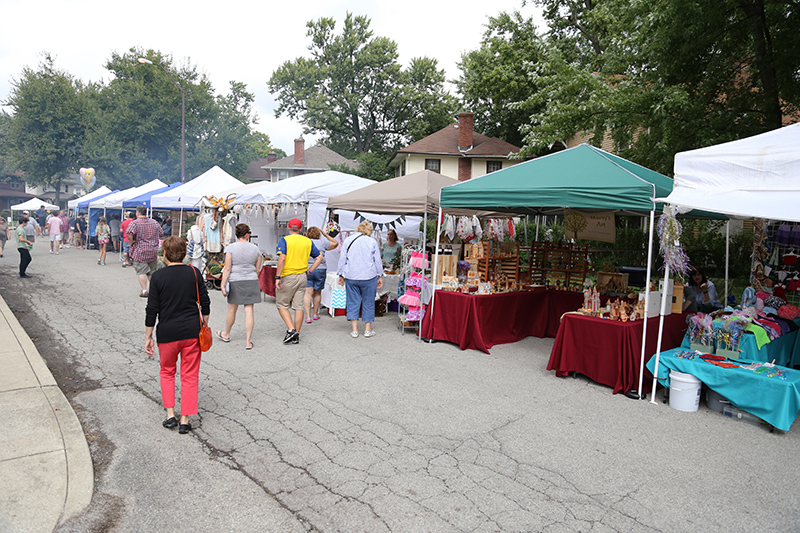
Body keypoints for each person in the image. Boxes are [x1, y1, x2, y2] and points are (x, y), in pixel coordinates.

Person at [145, 236, 210, 435]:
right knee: (190, 375)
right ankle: (185, 419)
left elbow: (152, 309)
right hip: (191, 331)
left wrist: (148, 336)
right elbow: (205, 302)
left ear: (164, 254)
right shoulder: (193, 272)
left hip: (167, 333)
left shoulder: (157, 277)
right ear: (184, 253)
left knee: (167, 372)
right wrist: (204, 325)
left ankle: (170, 415)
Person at [275, 218, 323, 344]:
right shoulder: (307, 241)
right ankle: (296, 334)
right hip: (302, 276)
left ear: (289, 228)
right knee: (298, 306)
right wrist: (310, 270)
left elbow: (282, 258)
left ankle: (291, 330)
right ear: (301, 229)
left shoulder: (285, 240)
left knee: (282, 304)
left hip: (288, 276)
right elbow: (319, 257)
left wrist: (277, 276)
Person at [217, 224, 262, 349]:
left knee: (232, 309)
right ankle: (248, 341)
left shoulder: (230, 248)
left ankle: (226, 334)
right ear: (247, 234)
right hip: (251, 279)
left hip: (235, 280)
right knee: (249, 311)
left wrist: (223, 284)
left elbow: (227, 268)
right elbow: (258, 268)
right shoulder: (255, 249)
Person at [337, 221, 384, 338]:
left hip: (351, 275)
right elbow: (377, 260)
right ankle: (367, 330)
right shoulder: (372, 242)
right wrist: (380, 275)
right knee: (368, 302)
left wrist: (340, 274)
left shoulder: (348, 240)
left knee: (352, 301)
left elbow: (342, 259)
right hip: (369, 276)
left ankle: (354, 330)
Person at [304, 226, 338, 323]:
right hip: (321, 269)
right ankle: (315, 314)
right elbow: (335, 244)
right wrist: (326, 234)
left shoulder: (305, 242)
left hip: (308, 269)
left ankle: (307, 316)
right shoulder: (323, 242)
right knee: (317, 292)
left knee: (307, 293)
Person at [127, 206, 164, 297]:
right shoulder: (154, 222)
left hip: (140, 251)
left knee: (141, 271)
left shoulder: (135, 223)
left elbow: (129, 232)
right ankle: (155, 291)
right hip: (152, 250)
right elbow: (161, 233)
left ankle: (144, 290)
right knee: (151, 272)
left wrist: (131, 241)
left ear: (137, 213)